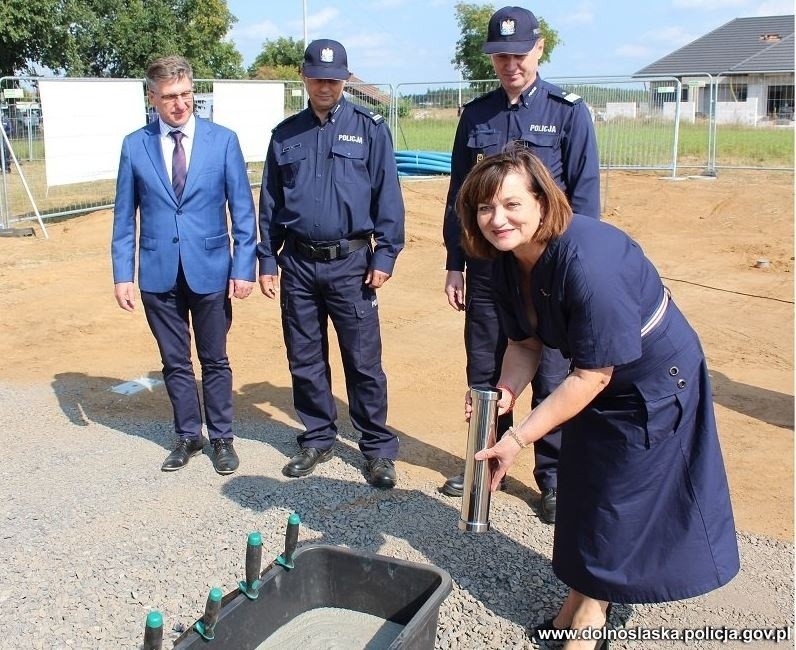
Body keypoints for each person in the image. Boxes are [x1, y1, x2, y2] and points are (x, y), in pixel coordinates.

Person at [457, 146, 739, 648]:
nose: (497, 220)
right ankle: (579, 601)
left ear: (544, 201)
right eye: (485, 208)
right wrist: (505, 390)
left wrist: (517, 438)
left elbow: (592, 376)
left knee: (619, 500)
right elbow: (525, 343)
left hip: (651, 380)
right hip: (593, 374)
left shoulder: (590, 263)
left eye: (511, 204)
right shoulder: (503, 259)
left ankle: (588, 621)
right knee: (587, 489)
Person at [440, 5, 600, 524]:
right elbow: (460, 198)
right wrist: (455, 262)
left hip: (547, 271)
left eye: (519, 53)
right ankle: (481, 464)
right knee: (485, 370)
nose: (510, 63)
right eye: (500, 55)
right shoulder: (476, 115)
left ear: (539, 49)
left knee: (552, 373)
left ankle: (552, 478)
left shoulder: (567, 112)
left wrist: (578, 269)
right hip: (488, 270)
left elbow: (585, 199)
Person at [258, 39, 405, 489]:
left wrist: (386, 252)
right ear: (304, 78)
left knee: (363, 361)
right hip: (298, 263)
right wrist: (266, 257)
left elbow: (388, 195)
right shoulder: (285, 134)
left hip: (352, 264)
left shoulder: (369, 128)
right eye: (318, 78)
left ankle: (377, 448)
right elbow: (270, 201)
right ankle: (319, 436)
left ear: (344, 80)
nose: (326, 86)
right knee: (304, 358)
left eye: (334, 79)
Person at [111, 55, 257, 475]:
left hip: (211, 268)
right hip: (158, 272)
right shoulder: (134, 145)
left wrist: (243, 266)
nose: (180, 104)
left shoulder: (222, 140)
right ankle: (188, 434)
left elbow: (242, 212)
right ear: (152, 98)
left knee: (215, 359)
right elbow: (124, 216)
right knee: (175, 361)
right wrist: (123, 274)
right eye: (170, 97)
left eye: (186, 94)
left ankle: (223, 438)